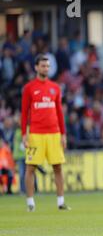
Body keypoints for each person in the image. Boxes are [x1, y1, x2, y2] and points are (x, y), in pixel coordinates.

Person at [21, 54, 70, 212]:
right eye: (43, 66)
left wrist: (63, 134)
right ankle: (30, 203)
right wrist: (24, 133)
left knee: (58, 167)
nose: (46, 69)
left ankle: (61, 202)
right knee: (30, 168)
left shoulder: (55, 87)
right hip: (35, 133)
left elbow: (59, 112)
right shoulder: (29, 88)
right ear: (36, 67)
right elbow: (24, 112)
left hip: (54, 133)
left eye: (47, 66)